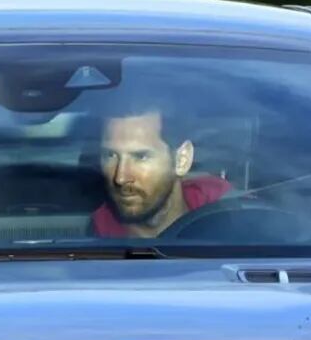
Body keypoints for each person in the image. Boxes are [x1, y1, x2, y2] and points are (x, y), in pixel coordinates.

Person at [90, 101, 231, 239]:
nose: (120, 178)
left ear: (182, 160)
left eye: (141, 157)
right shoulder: (91, 244)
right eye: (111, 155)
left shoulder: (228, 222)